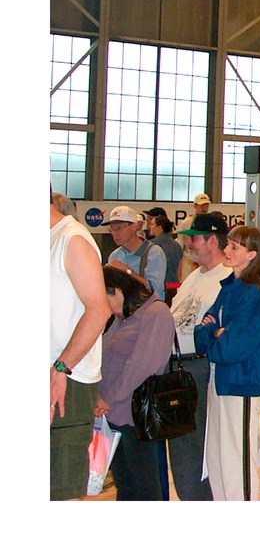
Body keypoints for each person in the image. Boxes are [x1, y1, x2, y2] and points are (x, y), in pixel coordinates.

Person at [194, 227, 260, 500]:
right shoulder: (230, 288)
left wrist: (217, 334)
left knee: (236, 460)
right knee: (216, 458)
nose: (226, 251)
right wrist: (214, 333)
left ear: (252, 255)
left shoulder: (255, 295)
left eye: (234, 248)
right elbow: (201, 330)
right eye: (228, 245)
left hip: (240, 384)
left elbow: (231, 348)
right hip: (219, 381)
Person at [168, 211, 233, 500]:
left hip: (202, 367)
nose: (189, 244)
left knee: (200, 447)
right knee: (181, 449)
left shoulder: (229, 277)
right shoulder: (194, 274)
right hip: (177, 367)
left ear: (212, 240)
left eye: (194, 239)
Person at [95, 266, 175, 500]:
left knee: (144, 485)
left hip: (135, 415)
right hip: (114, 414)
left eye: (105, 300)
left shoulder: (155, 313)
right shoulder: (124, 317)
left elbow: (142, 366)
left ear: (117, 291)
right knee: (125, 484)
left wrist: (108, 397)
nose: (106, 309)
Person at [50, 193, 111, 500]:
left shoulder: (71, 239)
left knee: (61, 491)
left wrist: (61, 367)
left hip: (66, 382)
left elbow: (99, 310)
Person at [103, 204, 167, 301]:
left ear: (134, 226)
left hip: (149, 313)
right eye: (112, 229)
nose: (115, 233)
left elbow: (153, 290)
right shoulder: (115, 255)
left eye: (119, 228)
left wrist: (127, 271)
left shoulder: (154, 253)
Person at [148, 214, 183, 287]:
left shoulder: (151, 245)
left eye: (152, 224)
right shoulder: (176, 245)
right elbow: (179, 271)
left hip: (158, 287)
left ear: (160, 227)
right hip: (174, 286)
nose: (149, 227)